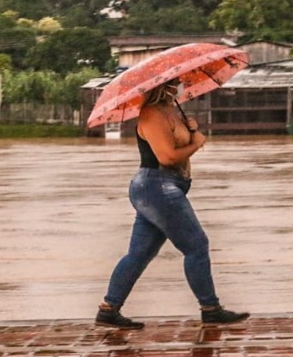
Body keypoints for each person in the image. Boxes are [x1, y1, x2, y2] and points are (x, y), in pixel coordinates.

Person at [96, 78, 250, 330]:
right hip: (157, 187)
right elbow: (167, 157)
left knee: (139, 253)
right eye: (175, 82)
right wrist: (195, 144)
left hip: (163, 188)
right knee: (197, 246)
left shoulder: (172, 111)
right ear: (160, 85)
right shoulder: (152, 115)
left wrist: (192, 130)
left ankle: (108, 310)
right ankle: (210, 309)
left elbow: (181, 147)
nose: (180, 85)